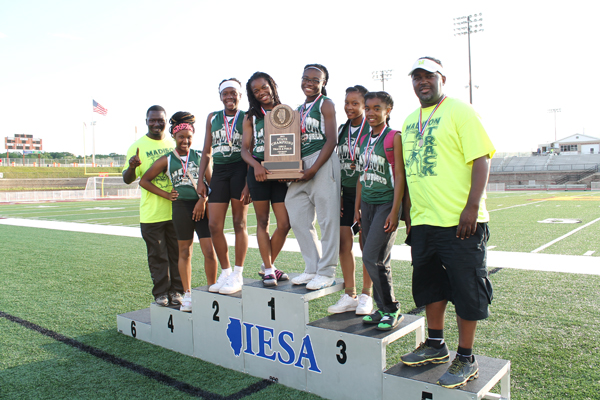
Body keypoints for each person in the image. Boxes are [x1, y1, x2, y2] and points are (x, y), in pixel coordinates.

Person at [399, 57, 495, 389]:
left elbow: (480, 158)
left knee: (467, 290)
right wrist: (409, 213)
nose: (422, 81)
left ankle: (466, 357)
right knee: (429, 287)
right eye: (417, 77)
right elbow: (410, 170)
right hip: (424, 222)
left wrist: (471, 207)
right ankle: (436, 344)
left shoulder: (461, 111)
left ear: (442, 78)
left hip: (460, 222)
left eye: (428, 76)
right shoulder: (411, 119)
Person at [139, 112, 218, 312]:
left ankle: (212, 290)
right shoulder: (167, 159)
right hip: (181, 207)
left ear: (193, 137)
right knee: (185, 252)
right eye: (181, 137)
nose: (185, 140)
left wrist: (203, 200)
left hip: (202, 207)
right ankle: (188, 294)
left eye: (189, 137)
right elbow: (144, 181)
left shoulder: (201, 156)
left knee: (209, 250)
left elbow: (212, 184)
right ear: (174, 137)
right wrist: (166, 195)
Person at [287, 63, 341, 290]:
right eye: (305, 78)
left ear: (323, 83)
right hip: (301, 165)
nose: (309, 83)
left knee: (328, 220)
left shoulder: (326, 104)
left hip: (323, 161)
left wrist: (314, 168)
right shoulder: (296, 110)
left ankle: (327, 272)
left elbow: (332, 139)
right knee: (297, 215)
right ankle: (312, 268)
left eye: (315, 80)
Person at [354, 91, 405, 330]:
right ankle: (382, 308)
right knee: (375, 258)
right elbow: (360, 177)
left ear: (388, 110)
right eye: (368, 108)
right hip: (367, 203)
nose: (371, 113)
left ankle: (391, 309)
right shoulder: (364, 139)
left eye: (377, 108)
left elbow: (400, 176)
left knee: (373, 257)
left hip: (386, 203)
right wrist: (357, 208)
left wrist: (396, 211)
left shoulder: (394, 137)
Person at [122, 105, 183, 307]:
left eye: (160, 120)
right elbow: (127, 179)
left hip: (175, 211)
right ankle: (161, 293)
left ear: (166, 121)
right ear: (146, 121)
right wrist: (132, 167)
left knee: (177, 254)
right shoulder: (137, 146)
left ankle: (177, 291)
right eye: (152, 120)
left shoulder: (173, 142)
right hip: (152, 213)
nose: (156, 123)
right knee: (158, 256)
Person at [198, 79, 250, 295]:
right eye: (226, 93)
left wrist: (248, 183)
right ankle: (226, 271)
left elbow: (252, 149)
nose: (230, 97)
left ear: (240, 95)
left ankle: (238, 272)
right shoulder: (212, 117)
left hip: (240, 170)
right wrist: (201, 178)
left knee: (239, 222)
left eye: (234, 93)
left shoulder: (247, 117)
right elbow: (207, 150)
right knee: (214, 225)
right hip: (219, 172)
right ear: (220, 96)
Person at [241, 72, 291, 286]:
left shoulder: (285, 112)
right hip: (259, 173)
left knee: (285, 223)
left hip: (279, 174)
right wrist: (256, 166)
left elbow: (292, 144)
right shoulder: (251, 116)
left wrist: (286, 170)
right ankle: (270, 269)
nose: (262, 93)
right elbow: (244, 150)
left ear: (272, 85)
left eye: (264, 87)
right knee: (263, 222)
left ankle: (267, 265)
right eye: (256, 91)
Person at [327, 85, 374, 315]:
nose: (349, 107)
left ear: (365, 105)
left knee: (367, 245)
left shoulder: (371, 129)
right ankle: (350, 294)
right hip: (345, 191)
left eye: (355, 103)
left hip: (366, 192)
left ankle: (367, 295)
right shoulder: (342, 128)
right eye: (347, 102)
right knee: (344, 243)